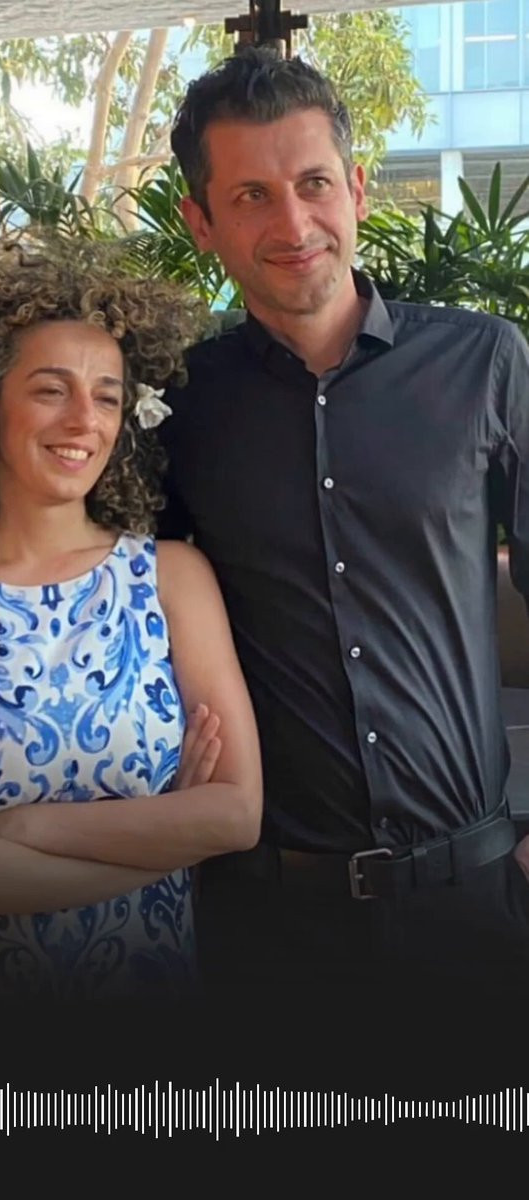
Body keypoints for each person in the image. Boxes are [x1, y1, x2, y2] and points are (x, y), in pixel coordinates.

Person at [156, 46, 529, 1027]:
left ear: (357, 189)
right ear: (201, 222)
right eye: (250, 196)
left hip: (474, 910)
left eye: (314, 183)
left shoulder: (486, 363)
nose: (293, 225)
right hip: (264, 929)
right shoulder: (179, 407)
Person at [0, 237, 262, 1011]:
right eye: (50, 389)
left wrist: (19, 829)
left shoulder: (172, 579)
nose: (83, 420)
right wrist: (161, 840)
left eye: (107, 396)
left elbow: (236, 815)